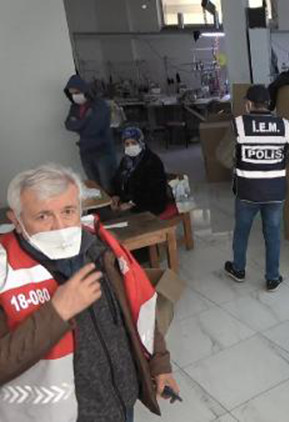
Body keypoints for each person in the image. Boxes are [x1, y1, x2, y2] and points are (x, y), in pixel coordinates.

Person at [0, 164, 178, 422]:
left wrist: (160, 365)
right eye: (43, 216)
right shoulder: (5, 273)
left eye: (68, 211)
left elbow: (140, 308)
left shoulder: (101, 247)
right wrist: (57, 313)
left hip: (122, 401)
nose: (60, 226)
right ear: (16, 220)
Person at [224, 85, 289, 291]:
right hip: (275, 192)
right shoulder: (284, 125)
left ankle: (238, 270)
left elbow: (221, 155)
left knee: (241, 232)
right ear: (269, 104)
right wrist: (280, 162)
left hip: (247, 192)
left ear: (249, 104)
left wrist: (239, 163)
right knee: (273, 235)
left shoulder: (239, 124)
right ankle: (272, 278)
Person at [64, 75, 118, 194]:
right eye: (71, 93)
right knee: (94, 186)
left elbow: (94, 128)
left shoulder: (99, 105)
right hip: (85, 152)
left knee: (108, 186)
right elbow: (68, 125)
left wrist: (78, 123)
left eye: (77, 92)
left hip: (102, 151)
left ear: (84, 90)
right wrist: (86, 120)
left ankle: (112, 206)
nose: (75, 96)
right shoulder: (75, 107)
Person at [112, 126, 170, 216]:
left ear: (140, 142)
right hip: (130, 202)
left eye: (133, 143)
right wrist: (116, 195)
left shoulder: (152, 161)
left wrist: (132, 204)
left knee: (114, 219)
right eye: (127, 144)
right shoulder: (126, 161)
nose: (130, 146)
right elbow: (118, 180)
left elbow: (154, 191)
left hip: (149, 205)